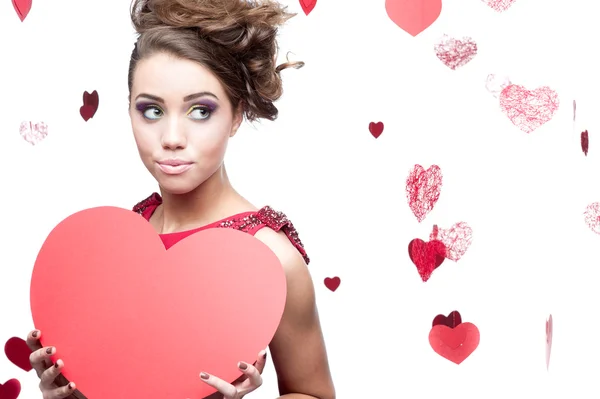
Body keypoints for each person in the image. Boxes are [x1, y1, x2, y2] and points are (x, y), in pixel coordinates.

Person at [25, 0, 336, 398]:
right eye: (152, 111)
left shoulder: (272, 257)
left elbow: (315, 393)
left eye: (200, 111)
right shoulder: (118, 241)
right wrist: (71, 391)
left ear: (237, 113)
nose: (172, 137)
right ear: (129, 111)